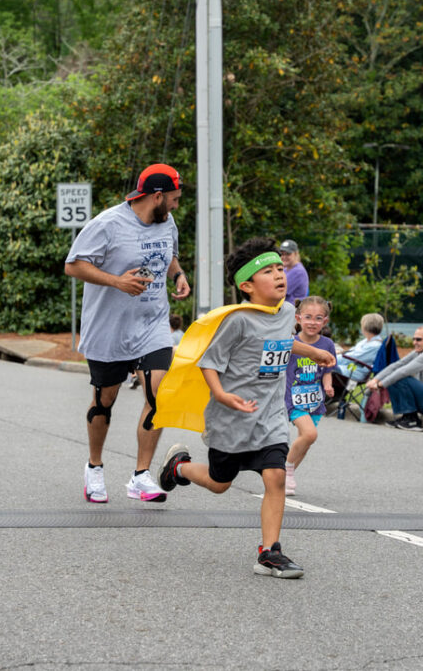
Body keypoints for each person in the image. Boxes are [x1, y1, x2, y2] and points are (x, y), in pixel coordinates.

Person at [156, 237, 335, 578]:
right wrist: (222, 395)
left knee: (276, 476)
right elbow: (209, 362)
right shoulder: (237, 321)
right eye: (268, 271)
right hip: (231, 419)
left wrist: (311, 351)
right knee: (219, 483)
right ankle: (180, 467)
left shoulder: (286, 313)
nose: (279, 275)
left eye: (280, 268)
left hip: (269, 417)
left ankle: (269, 552)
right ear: (247, 286)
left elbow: (282, 342)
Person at [64, 163, 191, 504]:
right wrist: (117, 281)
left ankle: (141, 476)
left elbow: (170, 255)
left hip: (152, 323)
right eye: (175, 198)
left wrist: (178, 275)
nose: (177, 205)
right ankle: (94, 466)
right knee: (105, 400)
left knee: (158, 395)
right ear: (157, 196)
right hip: (110, 328)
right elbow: (73, 265)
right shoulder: (107, 224)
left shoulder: (167, 222)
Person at [284, 296, 336, 496]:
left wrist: (328, 385)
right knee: (310, 434)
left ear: (325, 321)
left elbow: (327, 370)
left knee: (306, 441)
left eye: (318, 318)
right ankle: (285, 469)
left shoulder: (327, 344)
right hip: (293, 399)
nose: (312, 322)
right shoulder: (292, 343)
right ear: (298, 318)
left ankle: (286, 477)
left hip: (315, 401)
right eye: (308, 317)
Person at [366, 326, 423, 431]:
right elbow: (397, 365)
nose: (414, 342)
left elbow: (404, 371)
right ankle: (407, 417)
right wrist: (375, 379)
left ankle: (412, 420)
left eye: (418, 339)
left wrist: (379, 385)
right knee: (394, 376)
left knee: (401, 377)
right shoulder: (419, 351)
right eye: (414, 339)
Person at [334, 313, 385, 381]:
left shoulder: (374, 345)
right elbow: (352, 352)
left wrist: (331, 358)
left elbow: (351, 357)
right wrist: (338, 353)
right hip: (349, 367)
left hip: (353, 372)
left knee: (323, 368)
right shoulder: (367, 341)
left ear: (365, 327)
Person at [279, 239, 309, 305]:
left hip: (292, 309)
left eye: (288, 254)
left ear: (295, 254)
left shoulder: (298, 271)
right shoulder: (285, 269)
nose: (284, 257)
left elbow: (278, 291)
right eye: (282, 254)